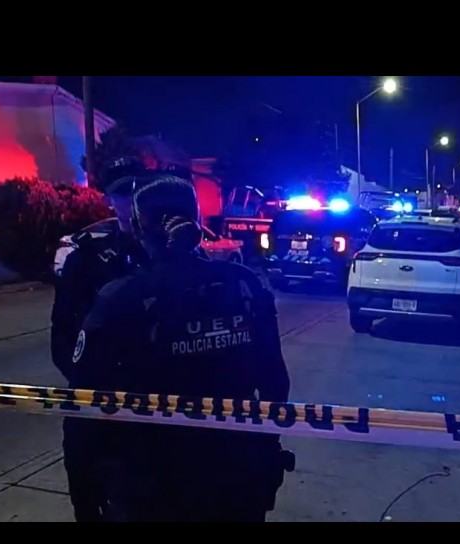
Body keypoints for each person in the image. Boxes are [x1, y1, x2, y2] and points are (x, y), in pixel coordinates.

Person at [69, 172, 293, 521]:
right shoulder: (243, 285)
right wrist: (263, 449)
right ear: (197, 220)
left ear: (138, 229)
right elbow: (275, 383)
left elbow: (84, 405)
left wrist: (84, 495)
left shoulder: (121, 298)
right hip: (235, 474)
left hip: (151, 483)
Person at [51, 157, 152, 522]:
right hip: (95, 400)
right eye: (123, 192)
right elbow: (62, 333)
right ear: (110, 199)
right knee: (86, 487)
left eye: (138, 190)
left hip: (152, 403)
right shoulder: (87, 258)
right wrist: (87, 384)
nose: (131, 199)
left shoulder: (163, 254)